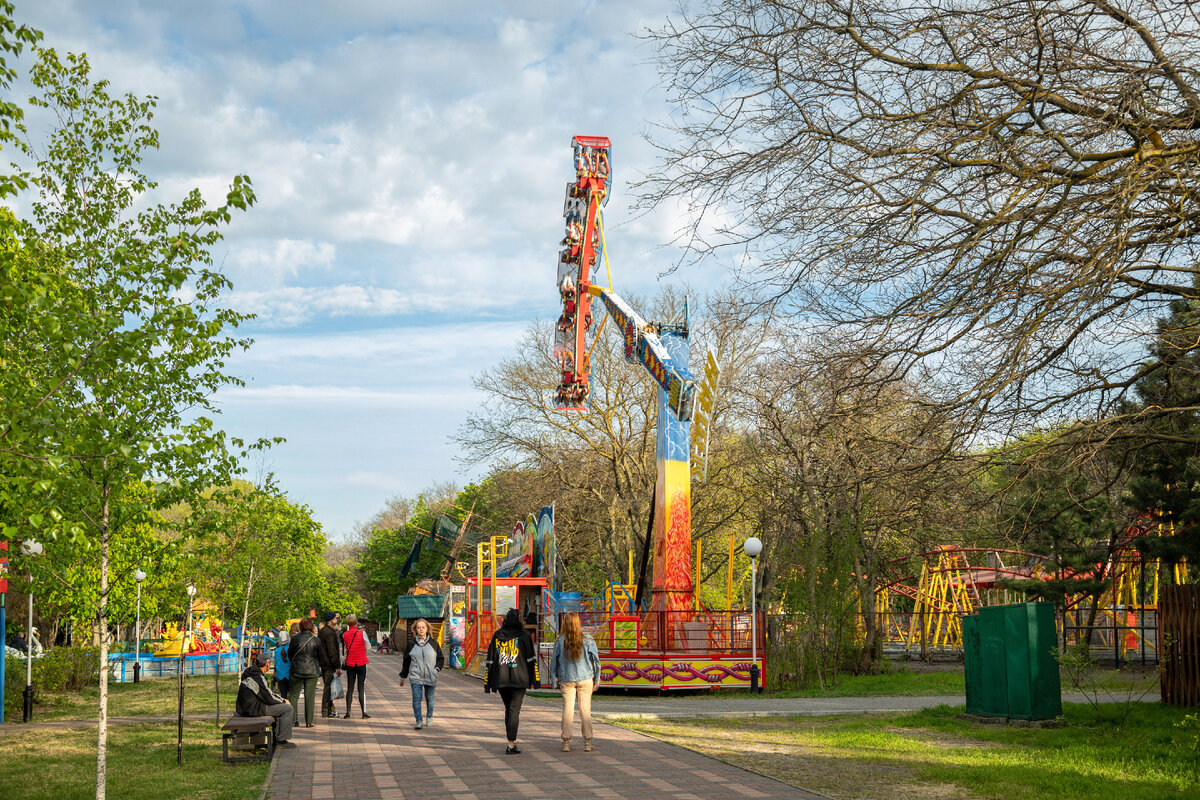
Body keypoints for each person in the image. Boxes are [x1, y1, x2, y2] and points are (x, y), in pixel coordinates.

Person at [483, 608, 540, 755]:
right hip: (519, 679)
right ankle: (511, 743)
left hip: (501, 679)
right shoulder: (524, 636)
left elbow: (490, 659)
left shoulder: (497, 635)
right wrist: (535, 680)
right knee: (514, 710)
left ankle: (511, 742)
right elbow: (531, 659)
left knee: (509, 709)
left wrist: (488, 683)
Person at [550, 612, 602, 753]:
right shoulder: (588, 640)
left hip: (567, 679)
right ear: (578, 623)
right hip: (585, 679)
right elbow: (597, 661)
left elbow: (553, 662)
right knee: (585, 710)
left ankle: (566, 742)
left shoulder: (560, 641)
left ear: (565, 623)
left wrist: (553, 679)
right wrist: (597, 679)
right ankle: (587, 742)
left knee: (568, 710)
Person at [236, 651, 297, 749]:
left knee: (280, 707)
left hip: (246, 707)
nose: (270, 666)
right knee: (287, 709)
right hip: (253, 709)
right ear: (267, 664)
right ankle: (281, 741)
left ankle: (278, 738)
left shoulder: (249, 672)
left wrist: (280, 698)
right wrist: (283, 701)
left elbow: (266, 692)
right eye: (270, 664)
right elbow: (268, 697)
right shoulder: (258, 677)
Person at [398, 618, 443, 729]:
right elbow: (406, 661)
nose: (421, 629)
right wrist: (403, 677)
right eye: (418, 628)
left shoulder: (434, 643)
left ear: (427, 628)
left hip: (430, 675)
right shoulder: (411, 644)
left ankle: (429, 717)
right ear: (415, 630)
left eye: (423, 627)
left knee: (430, 699)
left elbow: (441, 658)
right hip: (415, 676)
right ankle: (419, 721)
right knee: (416, 699)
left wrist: (436, 669)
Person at [287, 617, 321, 728]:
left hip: (296, 669)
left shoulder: (295, 638)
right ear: (311, 627)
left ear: (301, 627)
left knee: (293, 695)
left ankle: (293, 720)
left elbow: (290, 654)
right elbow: (320, 656)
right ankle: (309, 721)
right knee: (310, 696)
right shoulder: (316, 640)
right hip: (312, 670)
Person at [341, 614, 371, 719]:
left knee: (350, 687)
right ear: (356, 621)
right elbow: (369, 646)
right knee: (361, 688)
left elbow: (346, 647)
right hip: (361, 662)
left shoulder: (345, 634)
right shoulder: (362, 633)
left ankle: (348, 712)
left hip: (350, 663)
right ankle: (363, 712)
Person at [318, 612, 343, 718]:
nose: (336, 620)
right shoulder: (329, 633)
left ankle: (330, 709)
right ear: (331, 620)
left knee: (329, 687)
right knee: (328, 688)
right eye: (335, 618)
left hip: (324, 663)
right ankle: (325, 710)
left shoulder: (322, 631)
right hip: (329, 664)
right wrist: (337, 666)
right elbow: (332, 650)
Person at [273, 627, 292, 700]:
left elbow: (275, 663)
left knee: (283, 696)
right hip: (289, 675)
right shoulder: (290, 649)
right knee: (291, 695)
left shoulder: (276, 651)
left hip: (280, 676)